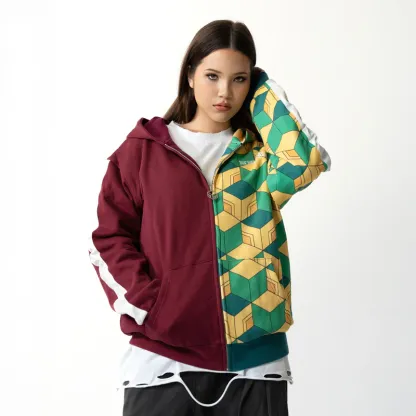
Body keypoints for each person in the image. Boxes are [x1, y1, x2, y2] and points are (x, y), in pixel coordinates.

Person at [88, 19, 331, 416]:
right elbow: (109, 239)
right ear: (190, 75)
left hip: (256, 362)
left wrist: (262, 89)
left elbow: (305, 160)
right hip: (165, 360)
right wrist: (152, 304)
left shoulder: (258, 157)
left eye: (239, 79)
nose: (224, 93)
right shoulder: (143, 152)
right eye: (212, 76)